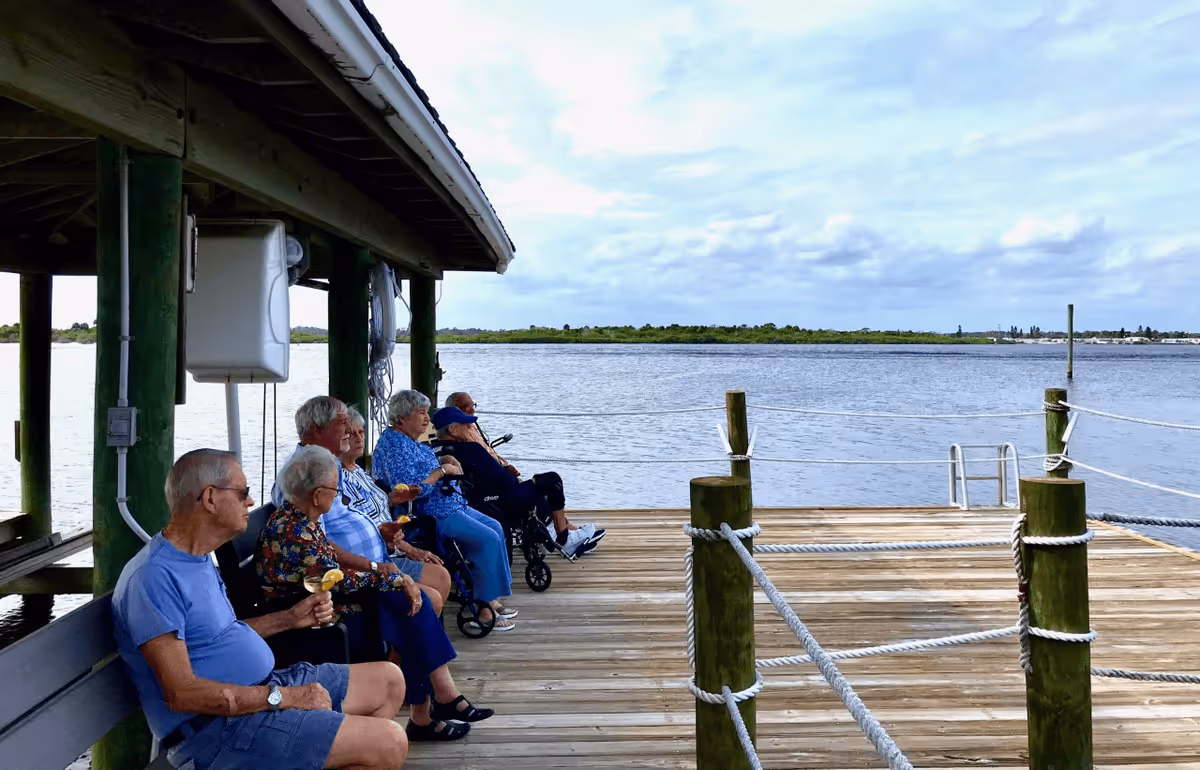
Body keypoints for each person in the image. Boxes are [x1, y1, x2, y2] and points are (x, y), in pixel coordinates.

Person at [111, 448, 409, 770]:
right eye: (243, 493)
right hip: (217, 731)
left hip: (259, 691)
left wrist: (291, 618)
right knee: (388, 742)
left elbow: (219, 637)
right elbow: (183, 693)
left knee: (389, 681)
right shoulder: (154, 578)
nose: (251, 502)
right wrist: (284, 698)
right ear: (210, 498)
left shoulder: (196, 558)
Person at [260, 445, 493, 742]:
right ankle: (431, 708)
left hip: (328, 602)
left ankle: (431, 708)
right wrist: (395, 580)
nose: (341, 497)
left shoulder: (302, 519)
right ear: (318, 494)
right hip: (314, 617)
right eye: (336, 490)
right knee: (410, 609)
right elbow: (334, 581)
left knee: (411, 607)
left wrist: (386, 574)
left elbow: (334, 571)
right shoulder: (294, 531)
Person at [272, 397, 447, 613]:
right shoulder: (305, 473)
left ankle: (407, 644)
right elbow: (317, 546)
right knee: (431, 599)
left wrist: (382, 533)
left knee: (439, 580)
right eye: (342, 422)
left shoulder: (327, 464)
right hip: (348, 580)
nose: (349, 428)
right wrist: (377, 568)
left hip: (376, 560)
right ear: (318, 428)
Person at [373, 390, 517, 632]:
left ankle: (491, 596)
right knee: (487, 538)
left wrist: (443, 459)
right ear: (401, 418)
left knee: (495, 526)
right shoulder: (394, 445)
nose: (427, 419)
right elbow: (408, 490)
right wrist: (442, 471)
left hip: (448, 502)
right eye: (420, 413)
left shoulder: (407, 440)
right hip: (429, 512)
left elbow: (421, 470)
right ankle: (483, 610)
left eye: (427, 412)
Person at [433, 406, 605, 558]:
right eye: (465, 425)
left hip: (473, 500)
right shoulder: (472, 449)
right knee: (551, 480)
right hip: (499, 503)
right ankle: (564, 538)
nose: (469, 427)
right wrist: (521, 479)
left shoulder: (434, 449)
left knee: (535, 486)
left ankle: (559, 530)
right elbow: (503, 478)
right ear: (453, 429)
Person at [341, 406, 451, 612]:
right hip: (372, 558)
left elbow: (375, 507)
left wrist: (392, 499)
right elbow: (358, 523)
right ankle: (410, 639)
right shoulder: (336, 478)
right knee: (431, 597)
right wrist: (408, 548)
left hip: (390, 548)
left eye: (361, 432)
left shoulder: (359, 472)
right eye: (351, 434)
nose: (358, 438)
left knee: (441, 576)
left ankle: (420, 635)